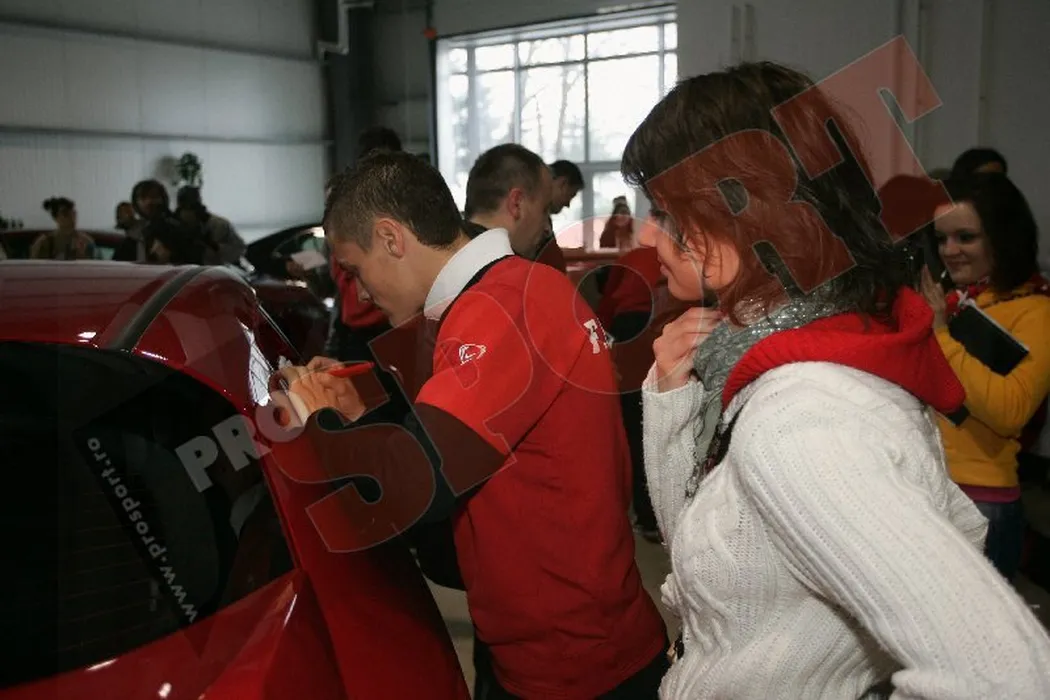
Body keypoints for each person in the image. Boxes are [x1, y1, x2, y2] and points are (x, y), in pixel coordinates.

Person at [625, 61, 1050, 698]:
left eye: (664, 211)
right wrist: (670, 396)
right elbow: (700, 546)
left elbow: (1004, 674)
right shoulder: (772, 358)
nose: (647, 233)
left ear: (744, 218)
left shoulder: (805, 414)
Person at [277, 151, 668, 699]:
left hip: (574, 663)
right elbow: (457, 447)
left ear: (390, 238)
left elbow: (412, 485)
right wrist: (359, 412)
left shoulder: (500, 308)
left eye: (356, 270)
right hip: (554, 637)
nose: (360, 293)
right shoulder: (512, 291)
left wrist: (317, 417)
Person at [920, 173, 1050, 582]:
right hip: (928, 489)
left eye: (965, 237)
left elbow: (1009, 411)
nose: (949, 251)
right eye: (941, 239)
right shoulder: (953, 302)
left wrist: (941, 334)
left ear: (1002, 237)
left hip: (981, 502)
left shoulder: (1036, 311)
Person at [462, 143, 552, 257]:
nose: (547, 229)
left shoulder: (443, 260)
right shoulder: (523, 268)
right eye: (544, 210)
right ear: (516, 204)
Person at [534, 159, 585, 274]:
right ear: (563, 183)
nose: (568, 204)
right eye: (570, 195)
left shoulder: (543, 218)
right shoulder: (531, 218)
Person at [175, 186, 246, 266]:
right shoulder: (174, 226)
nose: (188, 213)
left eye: (192, 207)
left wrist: (214, 246)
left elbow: (239, 250)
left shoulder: (219, 225)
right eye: (185, 208)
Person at [30, 198, 96, 260]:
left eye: (73, 213)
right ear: (56, 218)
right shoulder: (44, 242)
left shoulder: (86, 241)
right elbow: (34, 265)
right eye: (65, 214)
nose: (71, 217)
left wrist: (82, 255)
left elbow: (93, 265)